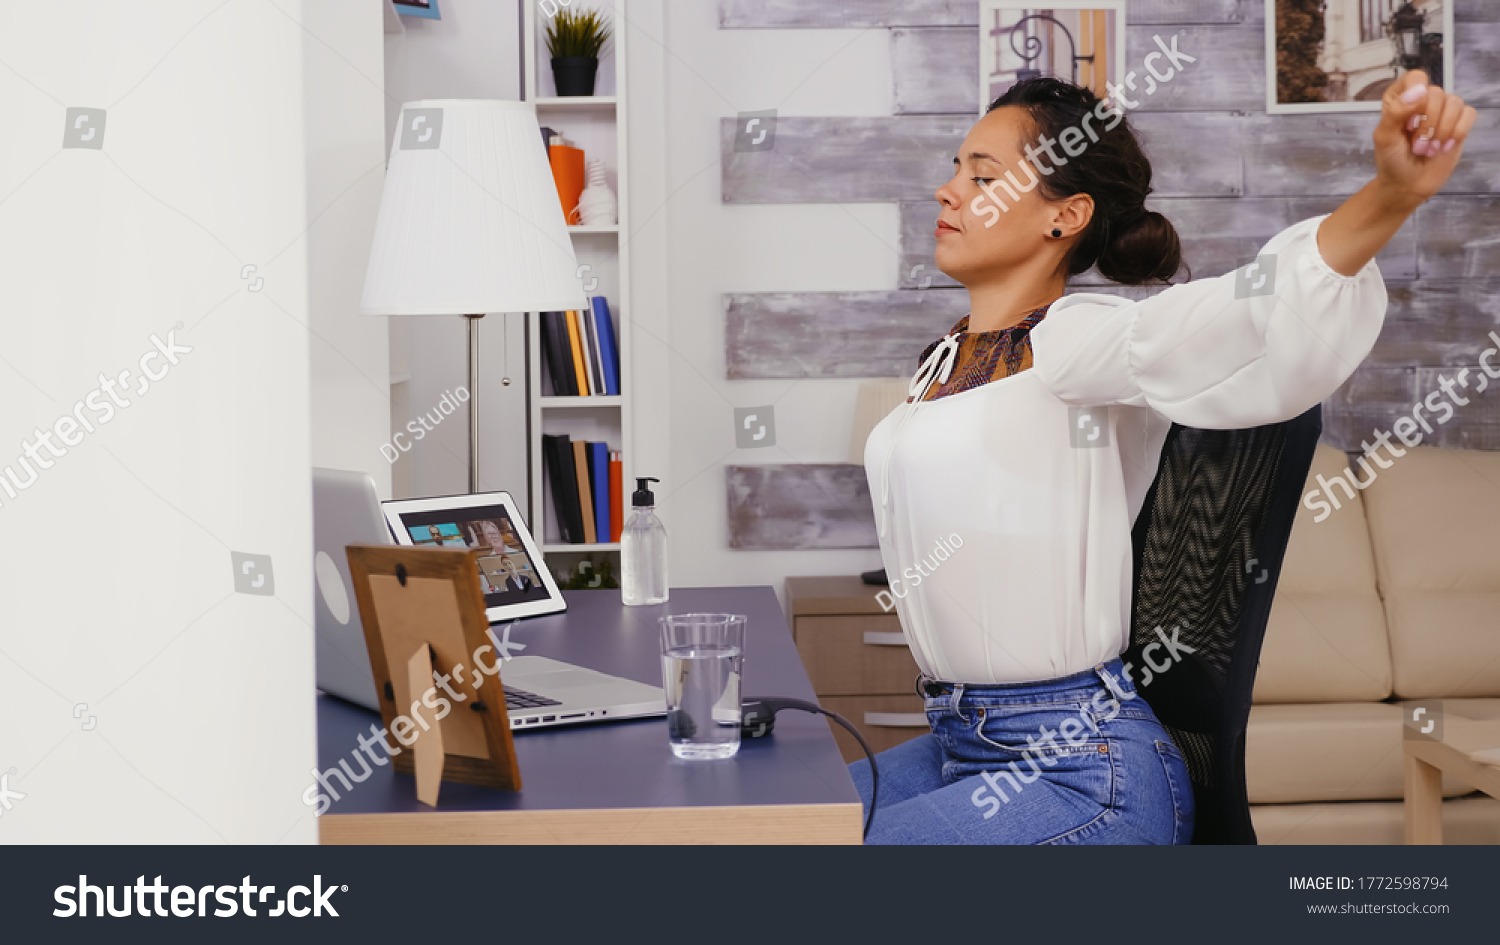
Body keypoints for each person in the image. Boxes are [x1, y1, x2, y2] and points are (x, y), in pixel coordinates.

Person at [855, 72, 1476, 844]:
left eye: (981, 177)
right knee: (749, 826)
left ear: (1066, 215)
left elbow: (1236, 314)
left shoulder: (1075, 338)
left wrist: (1389, 196)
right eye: (955, 170)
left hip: (1081, 767)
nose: (948, 192)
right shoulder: (946, 359)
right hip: (962, 739)